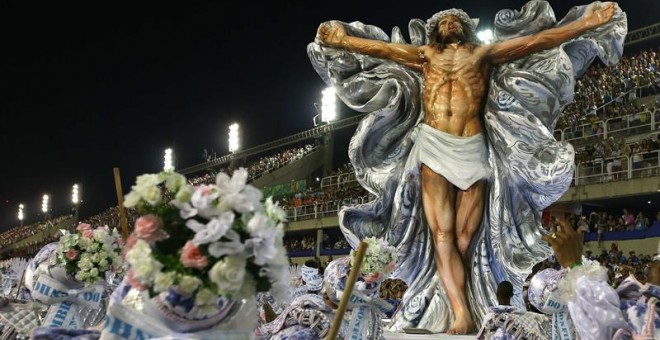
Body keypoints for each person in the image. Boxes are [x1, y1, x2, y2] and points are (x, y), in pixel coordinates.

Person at [316, 3, 617, 334]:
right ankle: (461, 312)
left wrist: (587, 23)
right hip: (432, 146)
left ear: (464, 27)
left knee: (463, 238)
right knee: (442, 235)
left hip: (473, 147)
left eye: (453, 19)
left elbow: (536, 41)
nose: (447, 23)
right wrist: (343, 41)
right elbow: (382, 49)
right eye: (442, 21)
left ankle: (459, 299)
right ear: (435, 31)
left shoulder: (482, 55)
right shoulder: (425, 56)